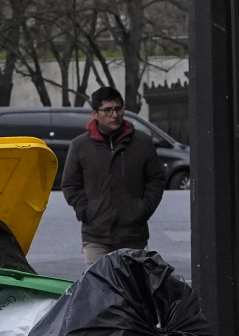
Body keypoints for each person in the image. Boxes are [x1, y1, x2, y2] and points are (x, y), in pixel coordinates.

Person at [61, 87, 165, 264]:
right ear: (95, 113)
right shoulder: (80, 146)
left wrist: (142, 209)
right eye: (107, 110)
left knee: (131, 288)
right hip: (96, 236)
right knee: (99, 288)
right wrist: (86, 211)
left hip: (133, 235)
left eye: (118, 109)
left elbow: (156, 179)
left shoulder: (142, 143)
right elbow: (70, 184)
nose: (114, 115)